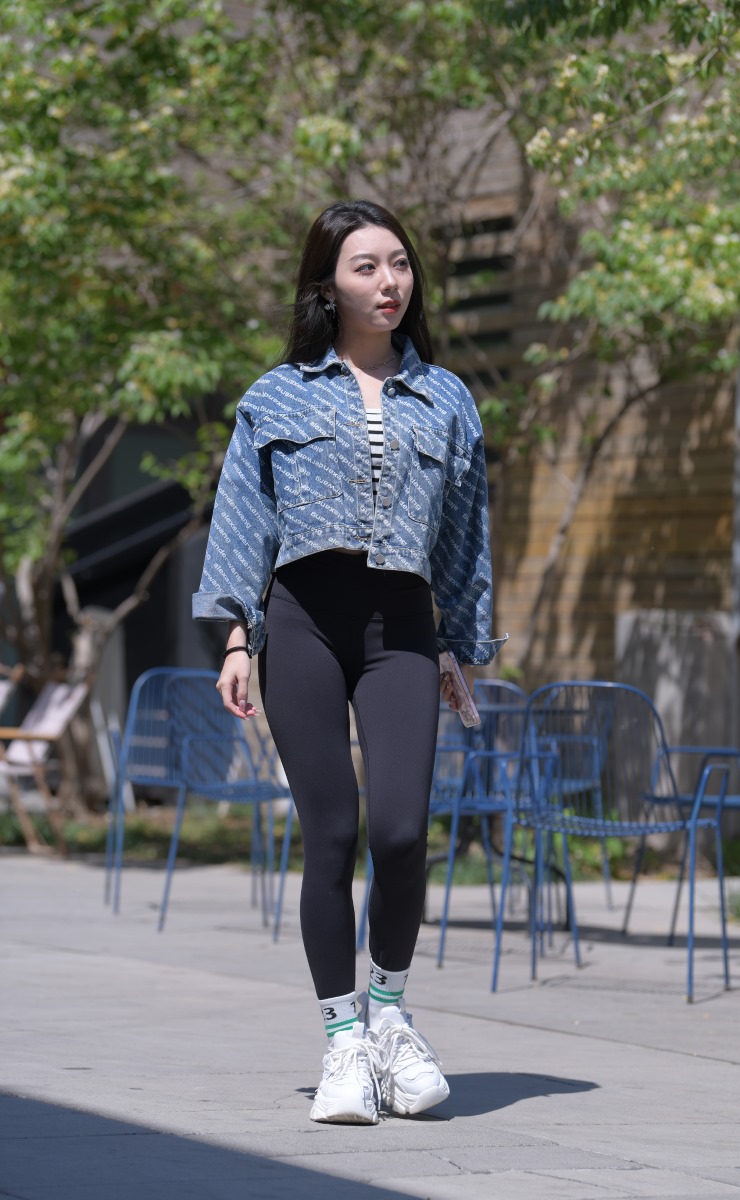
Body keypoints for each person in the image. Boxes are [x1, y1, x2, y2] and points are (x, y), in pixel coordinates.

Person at [193, 199, 505, 1124]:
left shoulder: (446, 398)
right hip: (302, 624)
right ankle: (341, 1043)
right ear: (328, 283)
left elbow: (466, 536)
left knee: (401, 832)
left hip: (402, 627)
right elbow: (242, 521)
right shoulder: (276, 395)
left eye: (399, 264)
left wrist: (461, 644)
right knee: (330, 834)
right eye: (366, 266)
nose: (389, 282)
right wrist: (238, 637)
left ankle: (391, 1020)